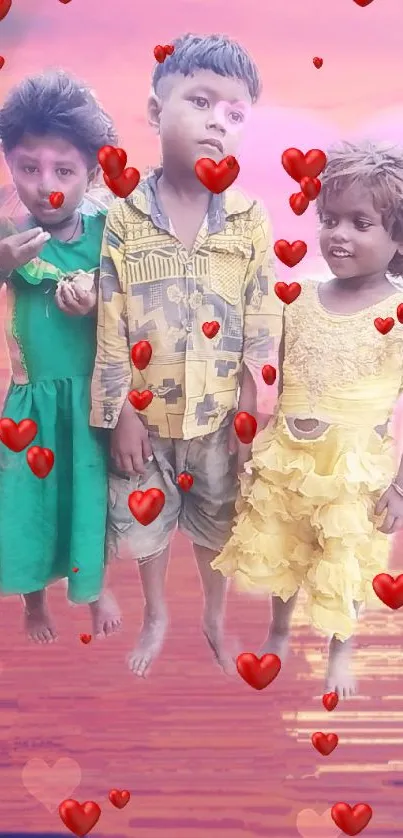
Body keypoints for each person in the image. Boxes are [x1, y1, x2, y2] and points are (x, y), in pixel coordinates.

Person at [90, 33, 283, 677]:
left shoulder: (250, 219)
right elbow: (111, 321)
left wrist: (254, 410)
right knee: (146, 531)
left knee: (216, 525)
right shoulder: (124, 217)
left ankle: (214, 617)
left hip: (220, 420)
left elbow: (262, 319)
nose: (215, 122)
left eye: (234, 113)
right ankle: (155, 615)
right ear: (154, 112)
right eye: (200, 101)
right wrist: (119, 412)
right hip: (145, 420)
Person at [212, 140, 403, 698]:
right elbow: (279, 374)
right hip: (290, 454)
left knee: (344, 556)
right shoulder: (300, 298)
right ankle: (278, 631)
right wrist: (255, 435)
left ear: (397, 240)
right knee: (288, 546)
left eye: (361, 223)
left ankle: (340, 649)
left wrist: (399, 487)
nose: (339, 234)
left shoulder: (396, 310)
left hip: (354, 467)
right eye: (331, 219)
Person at [0, 70, 121, 642]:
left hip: (91, 395)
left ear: (92, 173)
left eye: (64, 171)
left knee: (88, 501)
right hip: (31, 402)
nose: (44, 186)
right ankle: (33, 601)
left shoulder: (110, 233)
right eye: (28, 167)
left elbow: (137, 310)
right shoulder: (7, 235)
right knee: (28, 505)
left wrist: (97, 302)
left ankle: (92, 590)